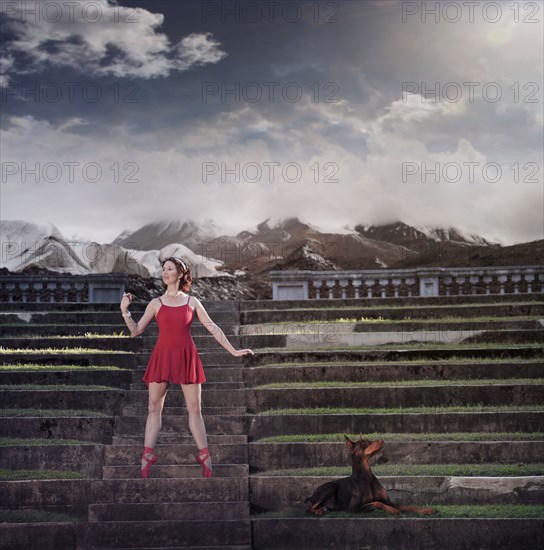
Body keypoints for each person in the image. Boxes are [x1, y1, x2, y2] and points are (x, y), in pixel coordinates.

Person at [119, 256, 254, 479]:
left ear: (180, 274)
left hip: (186, 357)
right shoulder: (156, 303)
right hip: (162, 356)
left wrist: (233, 351)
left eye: (169, 269)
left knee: (194, 409)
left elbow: (213, 328)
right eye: (163, 269)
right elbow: (136, 331)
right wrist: (125, 310)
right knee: (153, 408)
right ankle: (147, 456)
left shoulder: (192, 302)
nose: (165, 273)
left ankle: (205, 456)